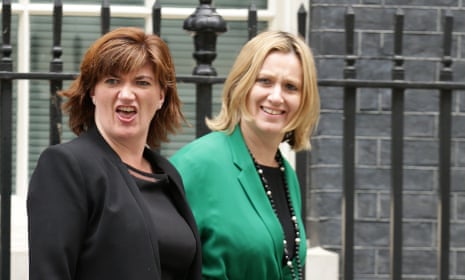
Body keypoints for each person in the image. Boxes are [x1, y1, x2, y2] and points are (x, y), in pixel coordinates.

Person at [27, 27, 202, 280]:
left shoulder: (167, 173)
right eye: (112, 81)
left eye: (142, 82)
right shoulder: (66, 166)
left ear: (161, 96)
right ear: (93, 92)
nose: (127, 94)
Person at [170, 30, 320, 280]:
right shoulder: (197, 163)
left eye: (291, 87)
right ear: (243, 85)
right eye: (265, 81)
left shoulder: (287, 175)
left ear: (304, 100)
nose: (276, 96)